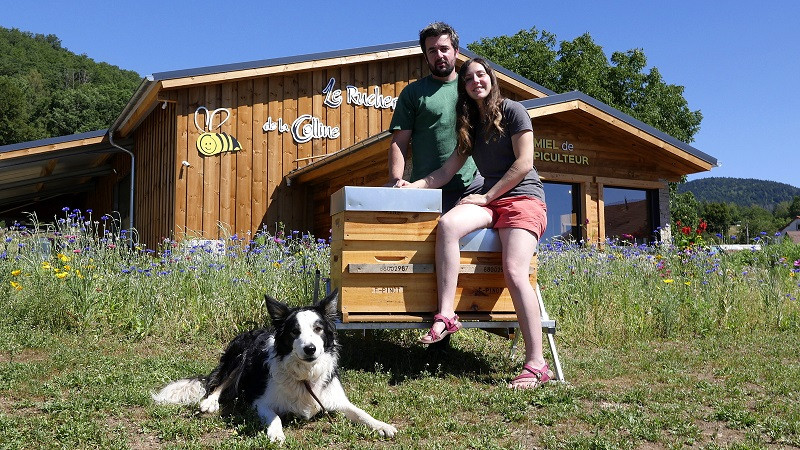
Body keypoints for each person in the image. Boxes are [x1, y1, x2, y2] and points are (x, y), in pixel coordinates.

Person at [402, 58, 552, 390]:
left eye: (480, 75)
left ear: (491, 79)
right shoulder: (469, 125)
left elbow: (524, 164)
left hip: (523, 198)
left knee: (514, 271)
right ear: (464, 88)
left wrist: (486, 197)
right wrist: (410, 186)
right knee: (448, 225)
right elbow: (444, 173)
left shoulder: (514, 111)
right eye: (468, 78)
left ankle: (537, 364)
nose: (475, 81)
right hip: (491, 200)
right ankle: (446, 315)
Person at [387, 22, 482, 211]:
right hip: (425, 190)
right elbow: (399, 141)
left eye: (444, 49)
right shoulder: (413, 93)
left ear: (456, 51)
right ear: (426, 57)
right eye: (432, 51)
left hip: (471, 188)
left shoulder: (473, 89)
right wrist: (396, 181)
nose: (439, 55)